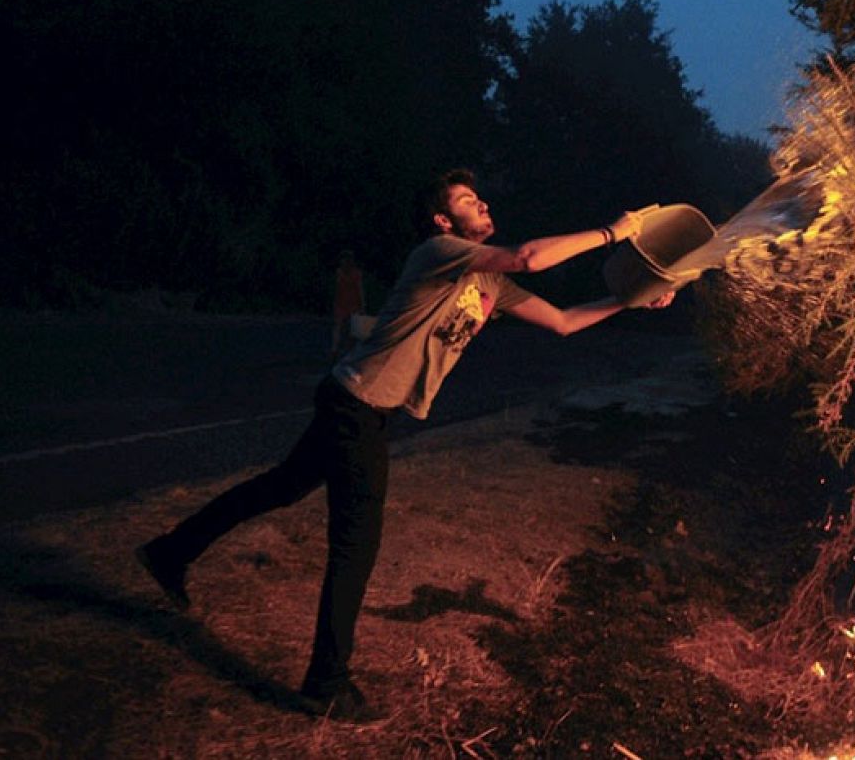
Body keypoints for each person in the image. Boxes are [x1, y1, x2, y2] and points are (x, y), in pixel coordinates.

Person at [135, 168, 669, 722]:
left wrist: (629, 299)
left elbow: (561, 321)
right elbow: (529, 256)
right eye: (468, 200)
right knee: (355, 543)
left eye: (480, 197)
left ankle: (170, 552)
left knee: (280, 487)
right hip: (355, 406)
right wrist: (613, 233)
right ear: (444, 220)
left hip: (361, 405)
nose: (481, 202)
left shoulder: (490, 283)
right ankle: (327, 678)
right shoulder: (438, 252)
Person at [330, 249, 365, 358]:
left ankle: (337, 348)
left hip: (348, 302)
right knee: (344, 326)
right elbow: (359, 289)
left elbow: (358, 289)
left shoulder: (343, 273)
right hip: (346, 302)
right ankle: (340, 348)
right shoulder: (350, 273)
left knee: (342, 326)